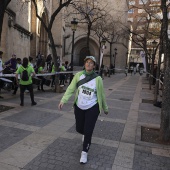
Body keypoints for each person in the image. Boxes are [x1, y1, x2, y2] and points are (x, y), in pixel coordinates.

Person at [58, 56, 108, 164]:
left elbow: (102, 95)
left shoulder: (98, 79)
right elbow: (71, 89)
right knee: (80, 129)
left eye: (91, 63)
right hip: (79, 106)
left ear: (94, 66)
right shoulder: (78, 76)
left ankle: (84, 152)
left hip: (93, 107)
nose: (89, 64)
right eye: (87, 62)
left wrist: (105, 108)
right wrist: (63, 100)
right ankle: (85, 135)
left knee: (88, 131)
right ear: (84, 64)